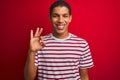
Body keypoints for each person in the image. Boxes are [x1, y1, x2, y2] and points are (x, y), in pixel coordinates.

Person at [24, 0, 94, 80]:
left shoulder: (82, 44)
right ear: (50, 18)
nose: (60, 20)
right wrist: (32, 51)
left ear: (70, 18)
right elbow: (28, 78)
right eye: (55, 16)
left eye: (65, 16)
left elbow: (84, 77)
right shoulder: (39, 44)